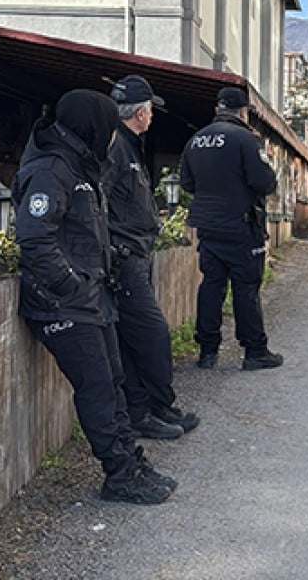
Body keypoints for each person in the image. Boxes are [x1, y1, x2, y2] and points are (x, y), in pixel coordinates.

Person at [13, 88, 176, 504]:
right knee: (99, 389)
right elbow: (35, 239)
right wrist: (70, 284)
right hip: (62, 304)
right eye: (107, 126)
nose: (112, 136)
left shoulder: (78, 166)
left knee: (114, 384)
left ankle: (130, 463)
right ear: (93, 126)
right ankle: (119, 475)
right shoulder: (51, 170)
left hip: (91, 299)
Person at [107, 75, 201, 440]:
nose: (152, 117)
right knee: (152, 334)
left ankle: (148, 410)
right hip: (124, 256)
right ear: (141, 112)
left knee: (134, 338)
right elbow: (99, 201)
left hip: (137, 253)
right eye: (150, 111)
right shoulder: (115, 147)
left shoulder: (128, 145)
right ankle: (151, 408)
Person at [179, 86, 283, 371]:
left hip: (208, 226)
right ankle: (254, 352)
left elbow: (187, 184)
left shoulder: (196, 140)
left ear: (217, 110)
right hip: (242, 225)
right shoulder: (246, 140)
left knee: (211, 286)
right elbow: (264, 183)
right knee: (246, 288)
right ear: (243, 112)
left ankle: (207, 352)